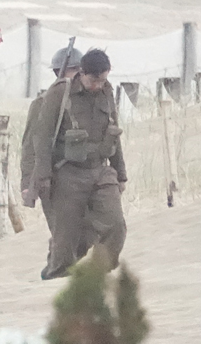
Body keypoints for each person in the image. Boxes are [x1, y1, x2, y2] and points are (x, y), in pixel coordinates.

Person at [24, 47, 127, 277]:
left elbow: (114, 132)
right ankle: (56, 275)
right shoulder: (59, 94)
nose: (98, 85)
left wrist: (120, 173)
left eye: (103, 79)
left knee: (116, 225)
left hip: (101, 171)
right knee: (65, 238)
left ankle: (98, 273)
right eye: (94, 80)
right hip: (68, 174)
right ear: (82, 73)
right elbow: (41, 137)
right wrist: (42, 177)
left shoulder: (106, 92)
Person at [21, 43, 88, 279]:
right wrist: (28, 183)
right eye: (74, 70)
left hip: (80, 177)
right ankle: (54, 273)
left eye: (81, 70)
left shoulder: (86, 101)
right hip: (52, 179)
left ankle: (57, 267)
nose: (79, 75)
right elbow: (30, 146)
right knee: (62, 234)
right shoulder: (43, 103)